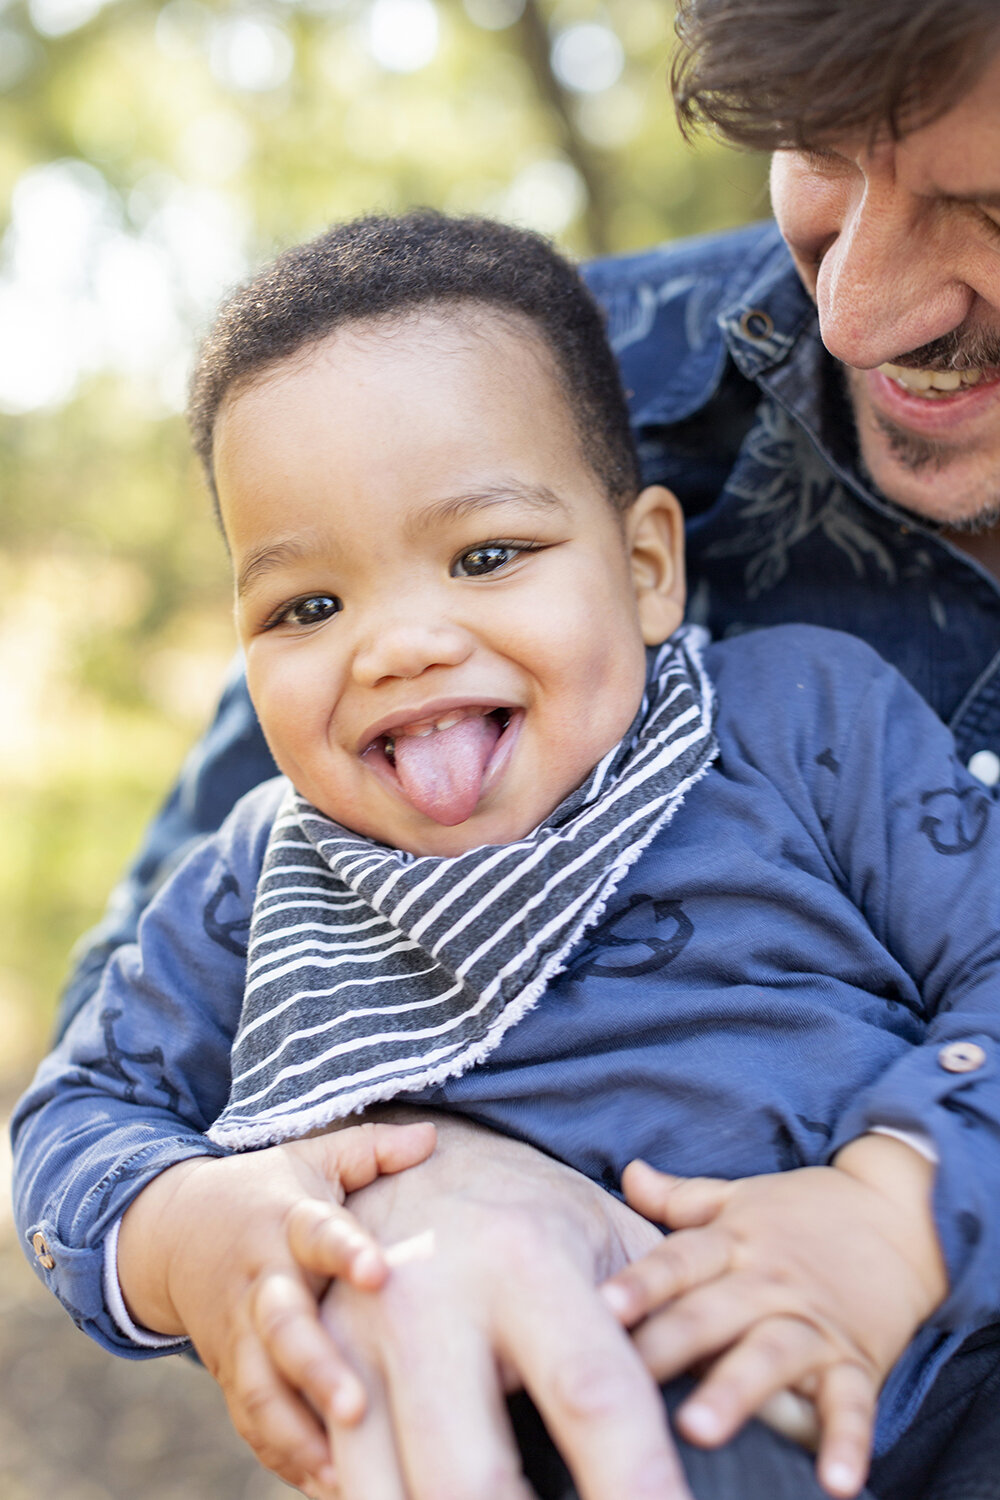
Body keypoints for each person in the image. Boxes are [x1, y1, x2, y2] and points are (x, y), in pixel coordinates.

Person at [15, 0, 1000, 1496]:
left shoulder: (800, 730)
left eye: (485, 559)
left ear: (651, 567)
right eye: (310, 602)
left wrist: (891, 1208)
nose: (396, 645)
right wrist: (194, 1235)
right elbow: (82, 1110)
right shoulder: (268, 874)